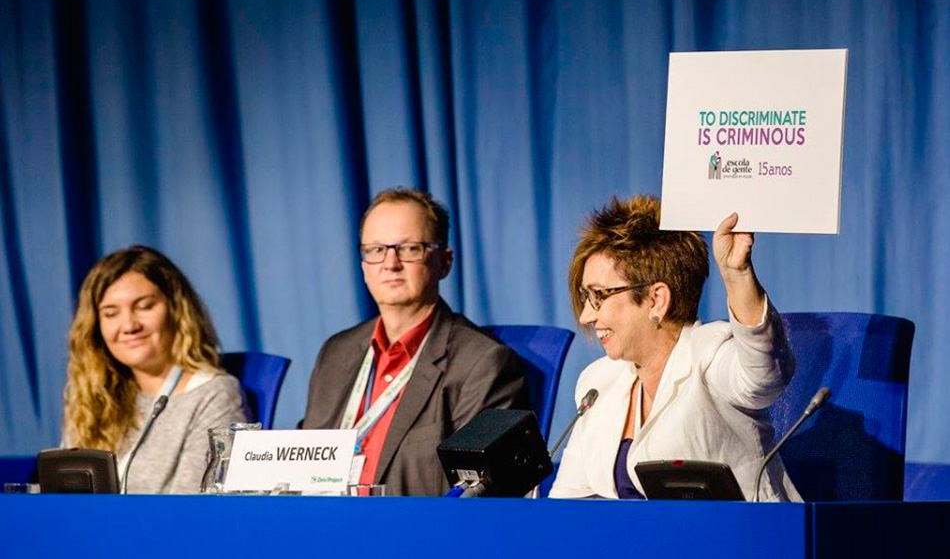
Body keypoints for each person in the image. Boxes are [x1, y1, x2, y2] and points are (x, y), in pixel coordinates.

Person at [549, 195, 800, 501]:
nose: (587, 315)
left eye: (599, 295)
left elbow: (764, 376)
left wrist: (737, 275)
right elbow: (567, 501)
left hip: (737, 544)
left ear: (656, 300)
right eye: (586, 297)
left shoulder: (709, 355)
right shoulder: (597, 382)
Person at [301, 188, 527, 496]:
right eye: (376, 249)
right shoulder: (335, 353)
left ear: (444, 262)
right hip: (320, 528)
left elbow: (472, 496)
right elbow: (299, 458)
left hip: (410, 536)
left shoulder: (483, 363)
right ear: (363, 263)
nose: (390, 263)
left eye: (409, 248)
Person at [62, 245, 248, 494]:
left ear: (176, 310)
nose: (129, 325)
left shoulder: (215, 395)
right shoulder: (91, 395)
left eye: (145, 306)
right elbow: (65, 499)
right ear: (96, 327)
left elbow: (188, 511)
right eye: (111, 313)